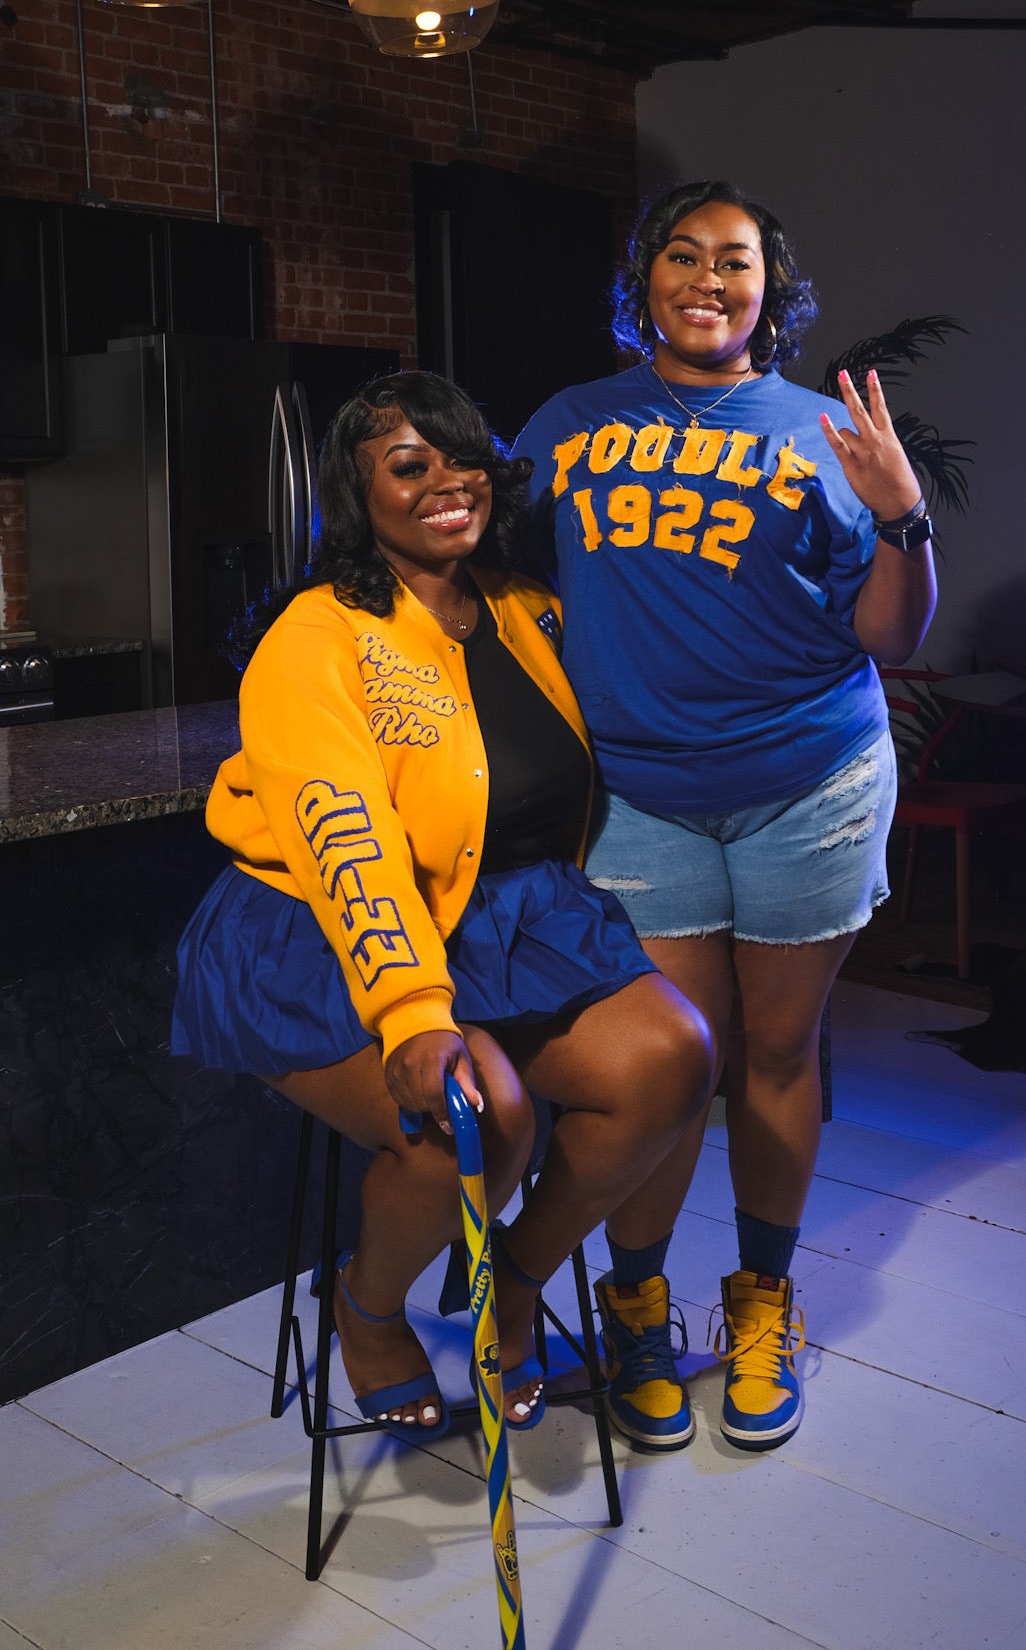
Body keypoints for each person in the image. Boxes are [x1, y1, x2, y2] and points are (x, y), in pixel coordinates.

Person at [172, 371, 712, 1439]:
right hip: (321, 928)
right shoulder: (317, 636)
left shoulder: (521, 606)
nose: (447, 481)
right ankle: (368, 1308)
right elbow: (345, 836)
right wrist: (414, 1012)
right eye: (408, 464)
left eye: (463, 457)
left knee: (672, 1058)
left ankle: (511, 1280)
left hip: (503, 921)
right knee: (483, 1115)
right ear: (356, 491)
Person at [514, 179, 936, 1453]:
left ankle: (761, 1300)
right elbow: (489, 569)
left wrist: (902, 512)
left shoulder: (822, 429)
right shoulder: (570, 423)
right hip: (639, 793)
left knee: (778, 1052)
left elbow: (891, 633)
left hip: (811, 782)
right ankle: (638, 1310)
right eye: (683, 254)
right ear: (644, 278)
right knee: (674, 1065)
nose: (709, 277)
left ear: (769, 287)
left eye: (736, 259)